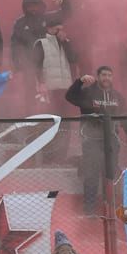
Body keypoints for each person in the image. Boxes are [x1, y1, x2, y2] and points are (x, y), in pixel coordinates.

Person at [65, 67, 127, 216]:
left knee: (109, 174)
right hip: (91, 140)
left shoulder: (117, 96)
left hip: (111, 140)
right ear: (98, 77)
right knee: (91, 174)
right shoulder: (87, 93)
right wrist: (79, 81)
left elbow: (124, 116)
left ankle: (109, 209)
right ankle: (89, 210)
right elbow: (69, 96)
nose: (107, 78)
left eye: (110, 75)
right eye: (104, 75)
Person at [31, 14, 79, 164]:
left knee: (66, 124)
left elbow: (73, 59)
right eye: (57, 29)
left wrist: (66, 43)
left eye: (62, 29)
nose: (60, 32)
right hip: (50, 89)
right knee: (50, 123)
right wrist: (41, 83)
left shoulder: (65, 43)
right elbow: (36, 65)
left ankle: (61, 157)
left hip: (65, 90)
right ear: (49, 29)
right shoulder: (41, 43)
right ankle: (48, 157)